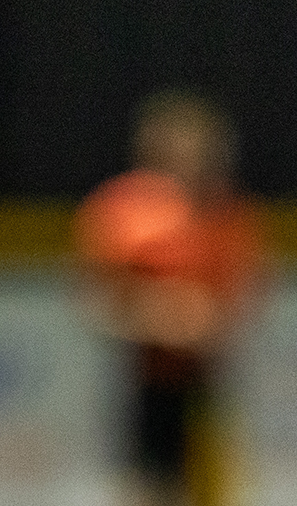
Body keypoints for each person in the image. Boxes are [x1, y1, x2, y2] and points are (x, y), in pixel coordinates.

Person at [74, 90, 268, 506]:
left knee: (213, 486)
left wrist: (201, 321)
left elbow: (240, 297)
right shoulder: (122, 208)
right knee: (150, 485)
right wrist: (158, 316)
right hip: (144, 379)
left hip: (208, 378)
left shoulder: (227, 211)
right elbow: (96, 299)